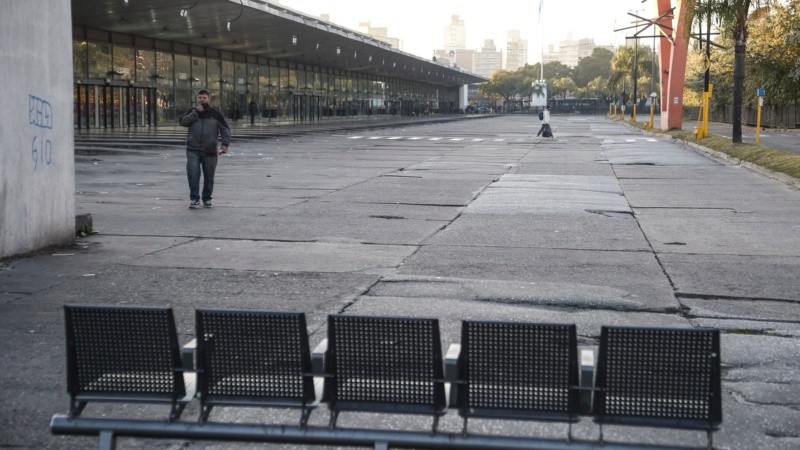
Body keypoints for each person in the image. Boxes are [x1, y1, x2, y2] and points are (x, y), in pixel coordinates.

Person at [179, 89, 230, 209]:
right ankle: (194, 199)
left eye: (204, 98)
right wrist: (195, 112)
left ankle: (207, 199)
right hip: (193, 149)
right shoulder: (191, 111)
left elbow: (225, 129)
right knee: (193, 174)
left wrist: (225, 144)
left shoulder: (215, 113)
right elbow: (182, 122)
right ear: (197, 99)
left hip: (210, 150)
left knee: (209, 176)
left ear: (209, 99)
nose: (202, 100)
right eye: (200, 98)